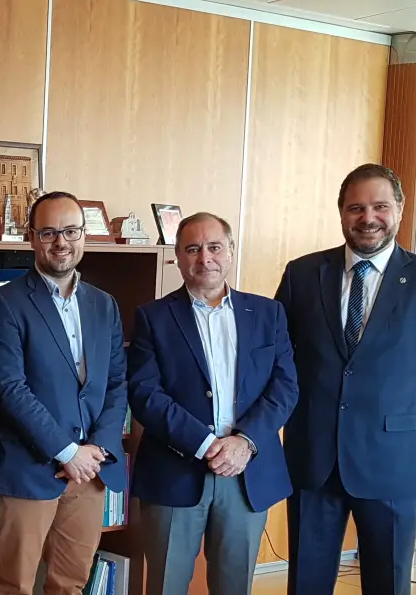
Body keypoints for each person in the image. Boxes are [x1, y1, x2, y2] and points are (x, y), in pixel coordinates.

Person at [276, 163, 416, 595]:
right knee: (306, 583)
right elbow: (280, 356)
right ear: (341, 212)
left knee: (387, 583)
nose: (368, 217)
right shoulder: (302, 274)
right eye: (356, 208)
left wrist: (397, 403)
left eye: (380, 206)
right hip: (314, 455)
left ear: (399, 210)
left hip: (392, 457)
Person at [127, 212, 298, 595]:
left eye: (215, 247)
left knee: (234, 586)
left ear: (231, 251)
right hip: (175, 472)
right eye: (193, 249)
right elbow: (145, 394)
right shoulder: (153, 317)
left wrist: (244, 442)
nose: (205, 258)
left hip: (247, 473)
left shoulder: (268, 313)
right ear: (177, 256)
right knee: (166, 586)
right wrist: (205, 445)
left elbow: (285, 387)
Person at [0, 191, 128, 595]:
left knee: (70, 584)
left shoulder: (104, 305)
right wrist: (67, 452)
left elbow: (116, 383)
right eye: (49, 232)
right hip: (31, 467)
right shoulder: (3, 303)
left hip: (91, 471)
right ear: (32, 237)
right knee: (14, 585)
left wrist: (97, 449)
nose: (61, 242)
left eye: (71, 231)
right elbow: (10, 389)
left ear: (84, 235)